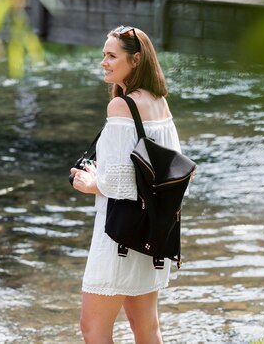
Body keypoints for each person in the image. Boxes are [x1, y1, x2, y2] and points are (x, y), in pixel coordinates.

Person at [70, 25, 182, 343]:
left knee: (92, 327)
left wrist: (91, 181)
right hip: (152, 234)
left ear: (135, 61)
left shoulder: (121, 106)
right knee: (145, 327)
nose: (103, 61)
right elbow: (170, 165)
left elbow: (119, 184)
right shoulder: (159, 100)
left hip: (119, 235)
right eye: (104, 55)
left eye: (111, 55)